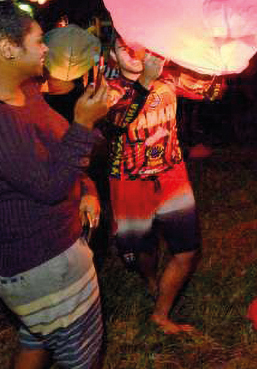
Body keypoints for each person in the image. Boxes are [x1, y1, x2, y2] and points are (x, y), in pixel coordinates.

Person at [0, 0, 110, 369]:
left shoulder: (25, 93)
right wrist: (84, 124)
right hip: (38, 263)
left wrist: (87, 187)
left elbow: (60, 152)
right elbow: (49, 185)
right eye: (39, 41)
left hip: (52, 251)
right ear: (8, 48)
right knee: (82, 358)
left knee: (35, 341)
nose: (46, 49)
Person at [105, 35, 200, 334]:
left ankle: (161, 314)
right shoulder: (108, 89)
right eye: (124, 48)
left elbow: (211, 91)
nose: (133, 52)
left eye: (137, 45)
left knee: (187, 251)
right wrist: (145, 79)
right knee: (142, 251)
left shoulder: (169, 79)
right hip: (130, 182)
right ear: (112, 55)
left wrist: (217, 63)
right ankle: (149, 279)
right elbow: (118, 120)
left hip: (172, 176)